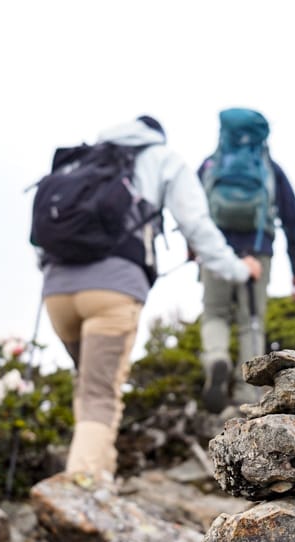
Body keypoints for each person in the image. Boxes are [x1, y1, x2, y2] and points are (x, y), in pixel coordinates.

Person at [38, 115, 261, 478]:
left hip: (57, 291)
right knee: (100, 392)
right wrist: (238, 269)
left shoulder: (85, 158)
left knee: (87, 383)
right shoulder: (162, 157)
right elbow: (196, 224)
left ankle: (97, 472)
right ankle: (85, 492)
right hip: (112, 290)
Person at [198, 108, 295, 413]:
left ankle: (216, 356)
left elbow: (192, 210)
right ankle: (248, 393)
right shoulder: (270, 169)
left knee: (215, 312)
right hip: (258, 252)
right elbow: (293, 220)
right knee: (251, 322)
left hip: (214, 250)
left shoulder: (210, 165)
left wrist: (194, 247)